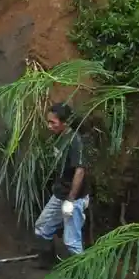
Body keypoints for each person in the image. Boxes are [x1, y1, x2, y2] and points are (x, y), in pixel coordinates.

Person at [34, 102, 90, 257]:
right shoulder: (59, 137)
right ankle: (47, 259)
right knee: (42, 227)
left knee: (72, 240)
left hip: (74, 198)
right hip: (60, 193)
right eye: (48, 121)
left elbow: (80, 170)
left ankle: (81, 276)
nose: (49, 125)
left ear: (64, 123)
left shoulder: (74, 141)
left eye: (53, 122)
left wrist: (71, 201)